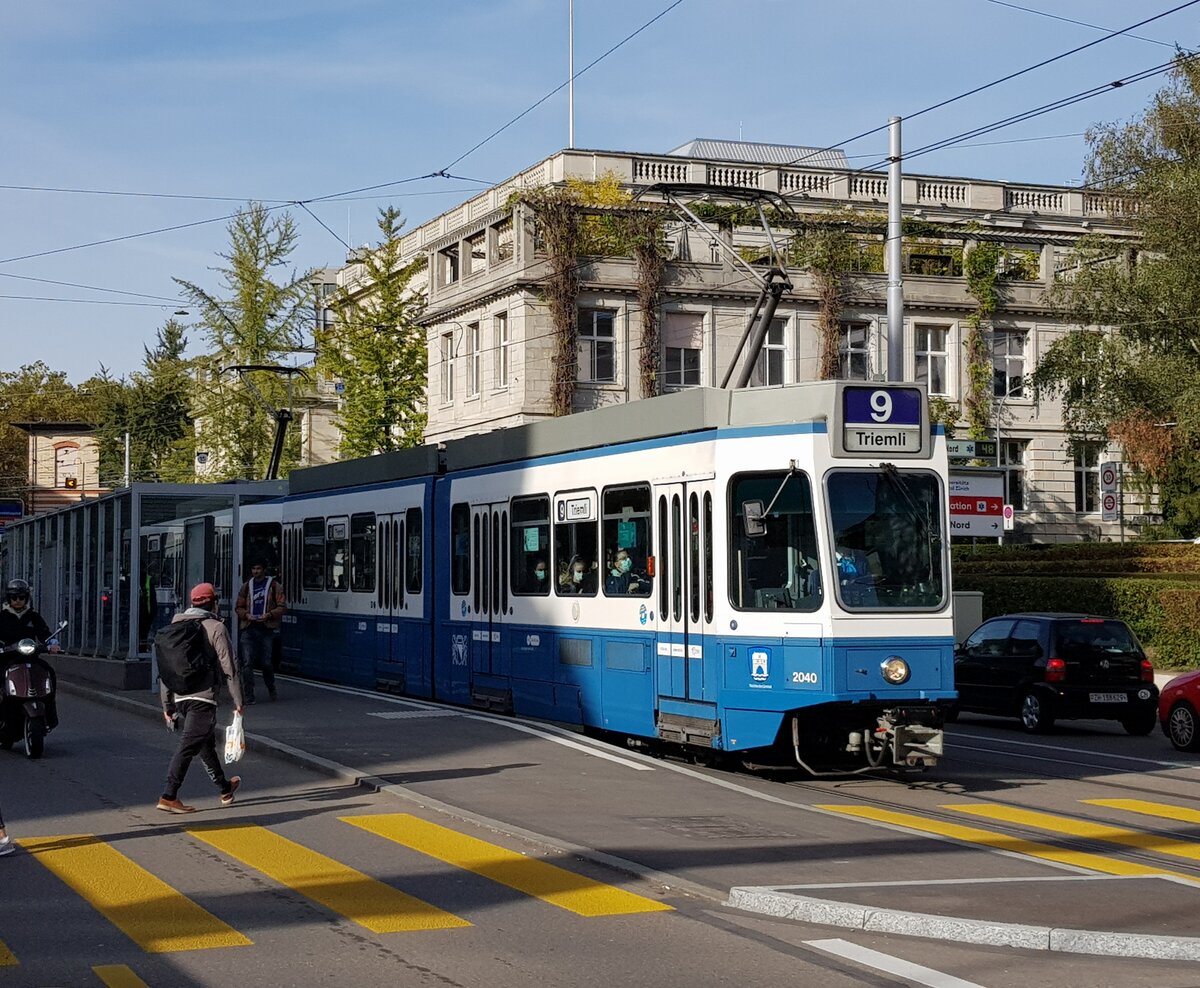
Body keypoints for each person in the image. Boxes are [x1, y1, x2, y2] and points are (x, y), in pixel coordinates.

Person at [157, 582, 244, 814]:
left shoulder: (175, 627)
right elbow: (229, 665)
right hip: (203, 698)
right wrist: (238, 699)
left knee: (204, 744)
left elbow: (166, 670)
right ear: (213, 602)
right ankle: (169, 795)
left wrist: (167, 704)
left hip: (180, 697)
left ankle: (225, 789)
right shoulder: (215, 627)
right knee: (188, 744)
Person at [0, 579, 61, 730]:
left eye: (22, 597)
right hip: (7, 658)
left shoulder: (33, 616)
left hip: (30, 658)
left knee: (49, 672)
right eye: (14, 598)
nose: (18, 601)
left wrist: (52, 643)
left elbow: (44, 632)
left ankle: (50, 713)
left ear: (27, 598)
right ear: (9, 598)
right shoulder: (2, 617)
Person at [235, 560, 287, 704]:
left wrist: (269, 615)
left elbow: (282, 606)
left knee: (266, 663)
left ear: (264, 570)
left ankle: (271, 689)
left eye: (258, 568)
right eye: (253, 568)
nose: (256, 571)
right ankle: (249, 696)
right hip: (249, 628)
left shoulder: (274, 586)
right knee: (247, 663)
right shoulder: (246, 587)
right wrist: (246, 615)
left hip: (266, 629)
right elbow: (238, 607)